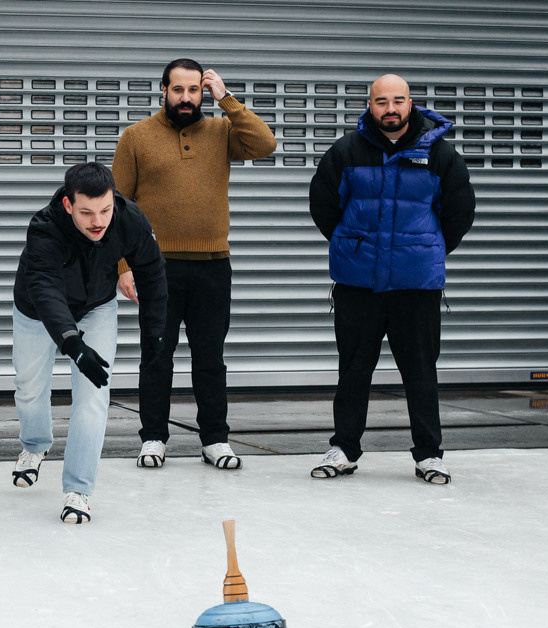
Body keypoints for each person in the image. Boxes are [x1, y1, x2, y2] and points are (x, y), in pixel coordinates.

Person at [308, 74, 475, 484]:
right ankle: (344, 448)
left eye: (398, 100)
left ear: (410, 102)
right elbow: (324, 204)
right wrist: (354, 245)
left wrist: (426, 249)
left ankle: (429, 455)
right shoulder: (346, 151)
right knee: (353, 370)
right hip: (358, 283)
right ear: (370, 105)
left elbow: (459, 211)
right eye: (381, 101)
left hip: (415, 285)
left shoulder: (439, 154)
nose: (390, 109)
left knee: (420, 371)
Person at [112, 58, 276, 471]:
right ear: (163, 91)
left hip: (212, 266)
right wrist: (122, 267)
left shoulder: (223, 131)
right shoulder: (136, 137)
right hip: (156, 267)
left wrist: (228, 100)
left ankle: (215, 440)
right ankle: (153, 437)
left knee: (210, 357)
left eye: (194, 90)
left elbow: (265, 144)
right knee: (156, 356)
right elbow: (114, 208)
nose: (186, 98)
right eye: (178, 90)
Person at [12, 162, 166, 524]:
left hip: (97, 306)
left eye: (105, 210)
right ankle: (35, 445)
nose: (98, 221)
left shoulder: (130, 220)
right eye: (86, 212)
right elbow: (45, 290)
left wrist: (156, 335)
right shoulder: (45, 228)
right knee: (30, 387)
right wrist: (73, 345)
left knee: (94, 396)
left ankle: (78, 490)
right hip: (38, 311)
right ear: (68, 205)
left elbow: (153, 275)